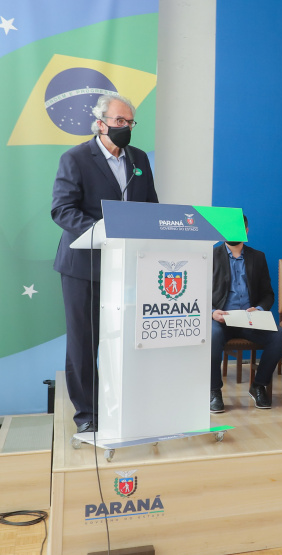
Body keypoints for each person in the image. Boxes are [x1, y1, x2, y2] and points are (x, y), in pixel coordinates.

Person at [51, 94, 158, 434]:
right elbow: (62, 209)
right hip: (84, 266)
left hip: (126, 267)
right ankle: (87, 416)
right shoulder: (76, 158)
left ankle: (121, 407)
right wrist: (104, 231)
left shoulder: (138, 158)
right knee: (84, 343)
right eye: (119, 122)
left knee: (122, 340)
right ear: (100, 123)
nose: (125, 127)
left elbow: (150, 206)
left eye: (130, 122)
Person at [210, 215, 282, 412]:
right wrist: (212, 312)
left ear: (246, 230)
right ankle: (214, 391)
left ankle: (259, 385)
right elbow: (197, 292)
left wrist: (259, 309)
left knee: (278, 336)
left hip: (249, 320)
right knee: (212, 335)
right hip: (221, 320)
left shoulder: (257, 257)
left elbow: (268, 294)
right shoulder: (210, 256)